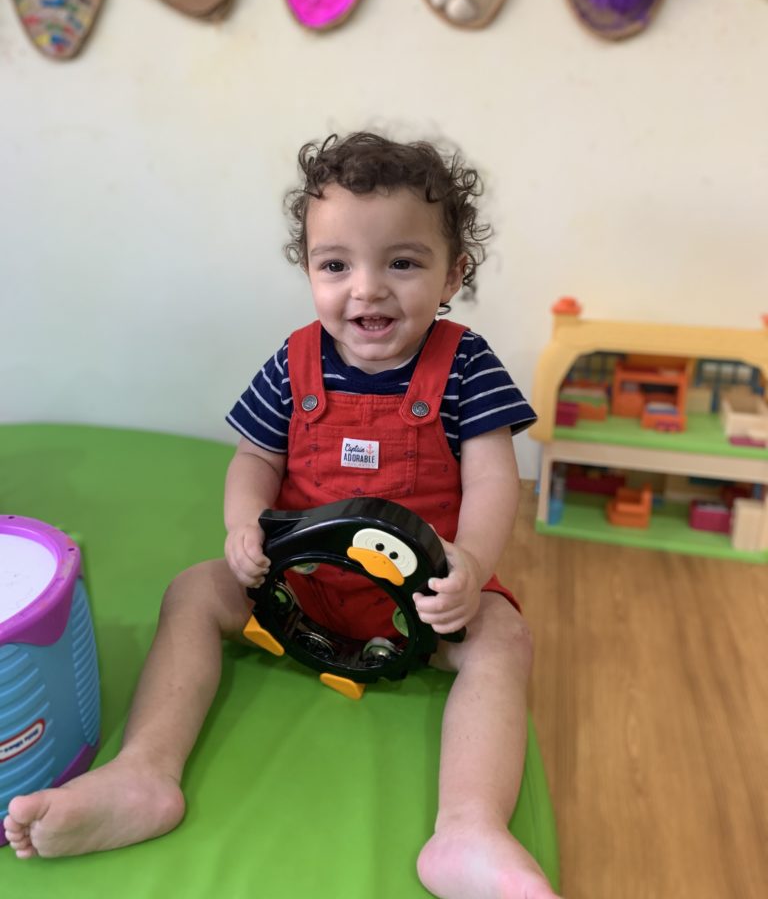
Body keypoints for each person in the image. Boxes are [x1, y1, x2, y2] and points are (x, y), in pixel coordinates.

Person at [3, 132, 560, 899]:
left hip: (423, 604)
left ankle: (467, 829)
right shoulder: (293, 361)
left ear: (452, 272)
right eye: (337, 265)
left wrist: (471, 564)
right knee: (192, 591)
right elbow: (254, 460)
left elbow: (496, 478)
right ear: (309, 270)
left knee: (505, 637)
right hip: (295, 589)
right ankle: (143, 777)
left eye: (401, 262)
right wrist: (243, 526)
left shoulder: (467, 365)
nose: (366, 290)